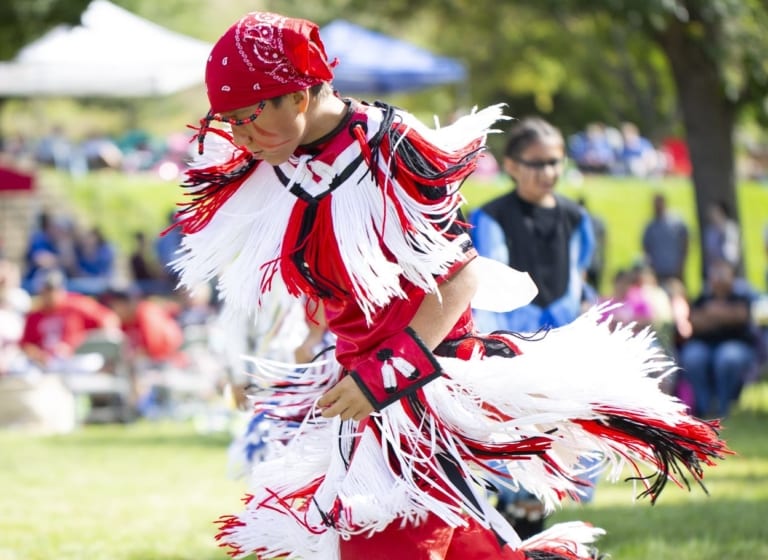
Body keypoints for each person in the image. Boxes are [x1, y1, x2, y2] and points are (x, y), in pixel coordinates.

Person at [171, 12, 727, 560]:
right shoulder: (273, 159)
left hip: (420, 384)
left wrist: (386, 375)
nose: (239, 135)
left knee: (387, 541)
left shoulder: (390, 148)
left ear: (298, 95)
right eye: (229, 123)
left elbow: (460, 277)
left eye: (246, 117)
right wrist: (303, 344)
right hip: (357, 388)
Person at [469, 117, 597, 535]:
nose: (548, 172)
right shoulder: (490, 217)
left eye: (555, 162)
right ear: (511, 165)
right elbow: (489, 284)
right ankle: (506, 528)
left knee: (556, 442)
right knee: (510, 442)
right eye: (536, 163)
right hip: (508, 346)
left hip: (562, 346)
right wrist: (496, 348)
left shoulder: (577, 218)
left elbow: (579, 279)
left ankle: (543, 527)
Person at [678, 259, 757, 418]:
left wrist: (713, 314)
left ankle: (723, 407)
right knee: (692, 357)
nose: (719, 278)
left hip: (737, 345)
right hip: (705, 345)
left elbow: (742, 316)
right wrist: (724, 315)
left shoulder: (742, 295)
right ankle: (704, 407)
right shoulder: (703, 297)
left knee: (727, 358)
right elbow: (695, 322)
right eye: (715, 274)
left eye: (723, 274)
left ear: (732, 277)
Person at [641, 192, 689, 287]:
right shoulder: (651, 227)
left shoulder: (677, 223)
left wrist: (681, 264)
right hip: (658, 270)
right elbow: (646, 247)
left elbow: (685, 243)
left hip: (675, 269)